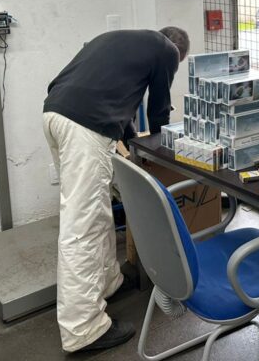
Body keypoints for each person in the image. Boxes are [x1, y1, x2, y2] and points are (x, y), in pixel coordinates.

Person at [42, 27, 189, 353]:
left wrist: (132, 142)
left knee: (97, 209)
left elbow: (119, 104)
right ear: (178, 54)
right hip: (84, 128)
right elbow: (159, 109)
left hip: (55, 113)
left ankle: (108, 281)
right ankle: (83, 329)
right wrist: (160, 154)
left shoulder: (126, 42)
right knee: (83, 227)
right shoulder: (167, 50)